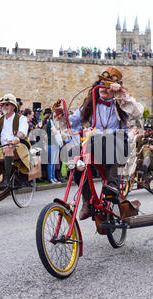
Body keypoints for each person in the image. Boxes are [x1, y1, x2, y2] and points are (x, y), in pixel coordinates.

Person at [53, 67, 144, 220]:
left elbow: (137, 111)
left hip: (118, 143)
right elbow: (72, 122)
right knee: (72, 154)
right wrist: (61, 114)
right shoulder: (91, 104)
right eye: (102, 83)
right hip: (95, 144)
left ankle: (113, 186)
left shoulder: (120, 102)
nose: (104, 88)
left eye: (108, 85)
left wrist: (121, 93)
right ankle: (87, 201)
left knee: (103, 142)